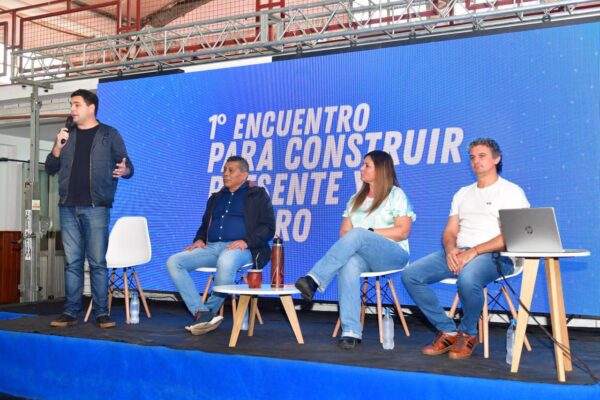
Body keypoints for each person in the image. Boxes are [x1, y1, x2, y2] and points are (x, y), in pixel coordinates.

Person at [401, 138, 530, 360]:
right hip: (461, 252)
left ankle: (468, 333)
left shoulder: (511, 191)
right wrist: (450, 250)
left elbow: (512, 236)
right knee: (411, 275)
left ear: (496, 159)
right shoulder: (462, 193)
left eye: (482, 156)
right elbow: (450, 231)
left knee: (468, 278)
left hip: (497, 255)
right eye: (472, 157)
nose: (476, 161)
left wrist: (474, 251)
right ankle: (448, 331)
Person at [295, 150, 415, 350]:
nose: (361, 168)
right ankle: (351, 331)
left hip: (394, 254)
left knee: (359, 233)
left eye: (367, 165)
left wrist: (369, 233)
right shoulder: (355, 199)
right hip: (365, 257)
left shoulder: (396, 195)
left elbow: (403, 231)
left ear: (380, 169)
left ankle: (314, 279)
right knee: (348, 262)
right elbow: (344, 233)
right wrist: (361, 237)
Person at [45, 89, 134, 329]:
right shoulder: (67, 136)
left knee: (97, 263)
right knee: (72, 263)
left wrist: (125, 170)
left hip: (96, 207)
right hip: (68, 207)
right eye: (71, 105)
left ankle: (102, 313)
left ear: (91, 107)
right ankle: (70, 312)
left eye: (76, 104)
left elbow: (128, 166)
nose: (72, 109)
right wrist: (57, 147)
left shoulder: (109, 134)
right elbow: (50, 167)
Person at [167, 156, 275, 335]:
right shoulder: (216, 197)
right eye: (224, 170)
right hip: (212, 247)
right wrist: (199, 239)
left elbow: (268, 227)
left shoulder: (258, 195)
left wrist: (247, 241)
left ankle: (208, 311)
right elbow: (204, 225)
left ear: (244, 175)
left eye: (231, 170)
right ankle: (201, 312)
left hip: (244, 248)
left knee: (226, 260)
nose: (225, 174)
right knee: (174, 261)